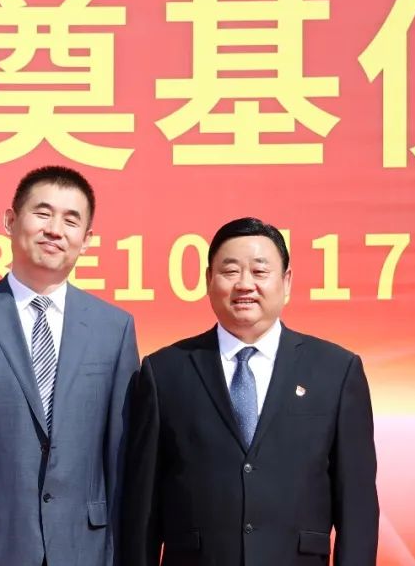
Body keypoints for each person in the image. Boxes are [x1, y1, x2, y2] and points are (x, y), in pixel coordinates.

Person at [0, 166, 139, 566]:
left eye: (71, 220)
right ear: (10, 221)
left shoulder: (114, 329)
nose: (55, 230)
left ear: (86, 240)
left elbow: (122, 459)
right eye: (42, 213)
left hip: (82, 550)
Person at [121, 217, 378, 566]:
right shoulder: (164, 371)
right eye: (230, 271)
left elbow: (357, 506)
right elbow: (142, 508)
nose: (245, 284)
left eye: (260, 272)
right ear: (209, 280)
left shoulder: (336, 370)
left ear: (286, 282)